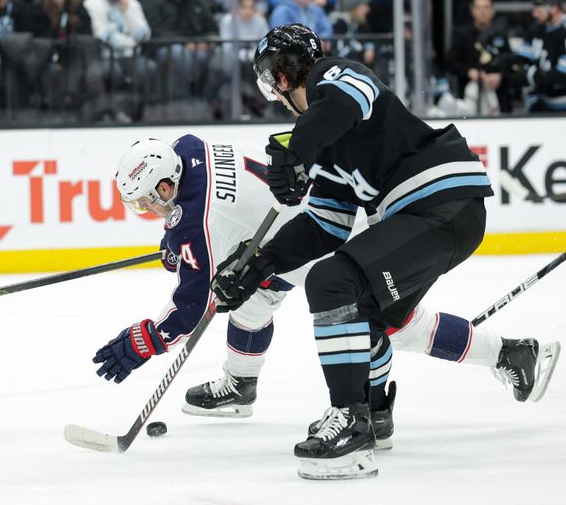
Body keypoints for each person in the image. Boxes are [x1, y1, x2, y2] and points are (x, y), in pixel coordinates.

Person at [210, 24, 560, 480]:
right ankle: (375, 413)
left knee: (332, 282)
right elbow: (323, 227)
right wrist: (257, 266)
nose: (279, 92)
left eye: (276, 80)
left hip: (440, 203)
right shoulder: (325, 144)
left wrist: (295, 153)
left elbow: (342, 102)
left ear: (282, 78)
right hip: (429, 216)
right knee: (369, 315)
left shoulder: (334, 75)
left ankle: (350, 423)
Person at [142, 0, 218, 101]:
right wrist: (185, 44)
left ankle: (208, 102)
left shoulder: (196, 2)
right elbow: (155, 32)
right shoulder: (152, 2)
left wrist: (207, 42)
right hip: (164, 49)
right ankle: (181, 102)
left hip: (199, 49)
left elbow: (213, 29)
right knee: (179, 54)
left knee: (224, 56)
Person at [445, 0, 514, 114]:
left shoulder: (500, 34)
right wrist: (470, 72)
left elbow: (510, 62)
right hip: (468, 93)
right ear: (472, 10)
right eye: (478, 7)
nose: (482, 12)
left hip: (499, 97)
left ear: (493, 10)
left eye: (486, 7)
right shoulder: (462, 34)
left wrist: (500, 75)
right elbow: (450, 63)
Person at [518, 0, 566, 112]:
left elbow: (561, 75)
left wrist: (533, 75)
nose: (534, 14)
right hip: (540, 100)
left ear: (554, 8)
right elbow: (520, 60)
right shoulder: (536, 28)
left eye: (538, 9)